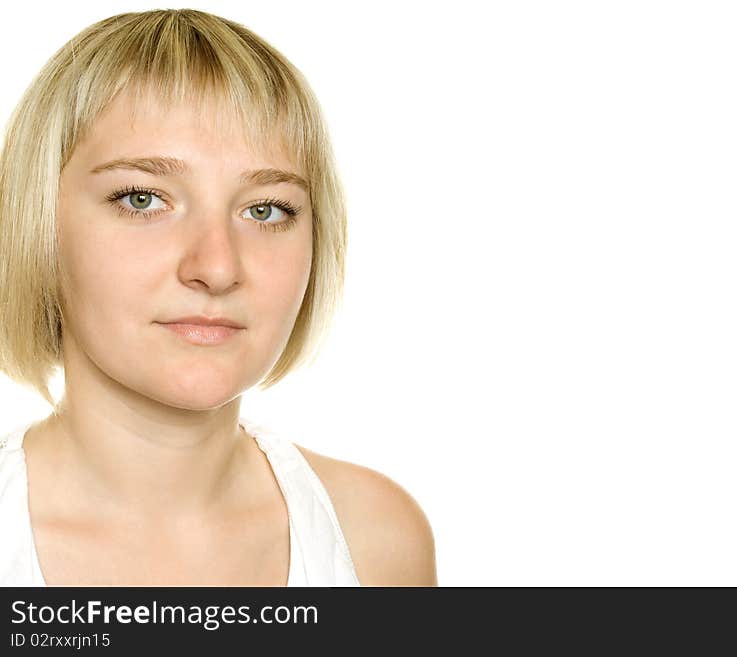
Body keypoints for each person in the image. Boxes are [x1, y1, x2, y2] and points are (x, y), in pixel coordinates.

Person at [0, 8, 437, 587]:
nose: (217, 267)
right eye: (142, 199)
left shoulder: (377, 541)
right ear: (38, 223)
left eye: (265, 209)